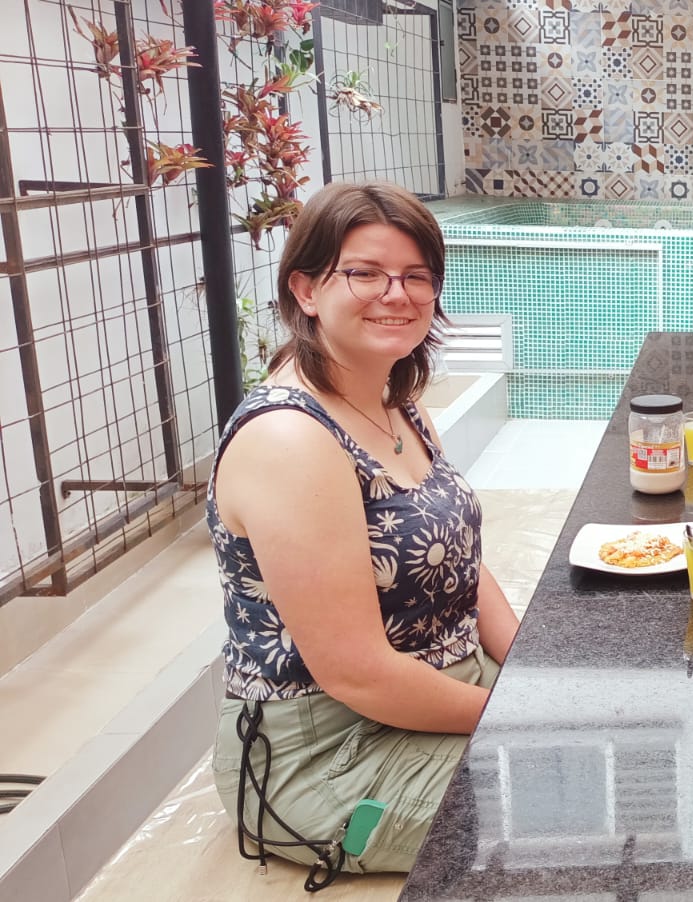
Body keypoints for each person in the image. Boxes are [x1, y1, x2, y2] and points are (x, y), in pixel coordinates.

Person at [207, 182, 520, 885]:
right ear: (307, 289)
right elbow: (356, 674)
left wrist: (534, 667)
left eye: (417, 277)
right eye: (365, 273)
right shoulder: (291, 440)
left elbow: (460, 565)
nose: (397, 294)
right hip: (328, 750)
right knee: (560, 801)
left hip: (436, 689)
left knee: (606, 721)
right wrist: (520, 715)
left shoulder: (396, 405)